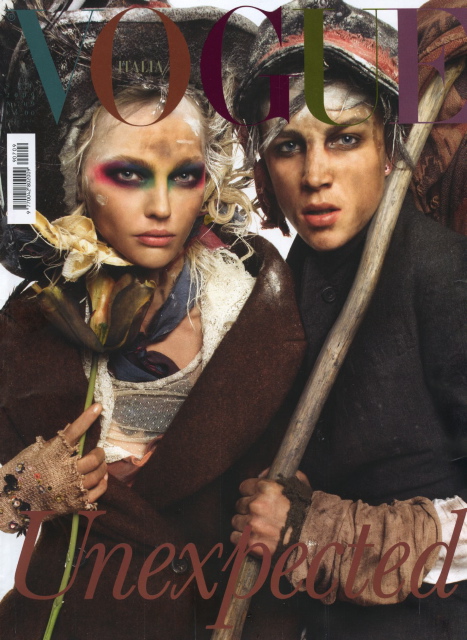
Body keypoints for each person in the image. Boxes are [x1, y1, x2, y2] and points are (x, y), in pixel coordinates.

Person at [0, 3, 306, 639]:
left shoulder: (257, 308)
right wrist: (24, 489)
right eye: (129, 174)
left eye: (184, 175)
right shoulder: (29, 324)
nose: (162, 206)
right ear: (78, 182)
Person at [231, 1, 467, 638]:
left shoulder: (442, 273)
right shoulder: (287, 280)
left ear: (389, 149)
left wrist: (322, 533)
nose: (315, 176)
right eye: (289, 147)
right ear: (264, 168)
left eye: (344, 139)